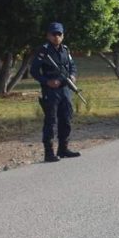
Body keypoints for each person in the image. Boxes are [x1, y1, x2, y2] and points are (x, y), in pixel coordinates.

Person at [30, 22, 81, 162]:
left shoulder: (65, 50)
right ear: (48, 35)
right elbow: (34, 71)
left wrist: (72, 76)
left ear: (63, 35)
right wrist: (47, 81)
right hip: (50, 90)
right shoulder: (43, 50)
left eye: (59, 34)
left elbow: (72, 66)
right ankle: (49, 152)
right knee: (51, 121)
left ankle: (63, 149)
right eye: (54, 34)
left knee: (66, 119)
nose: (56, 37)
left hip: (65, 89)